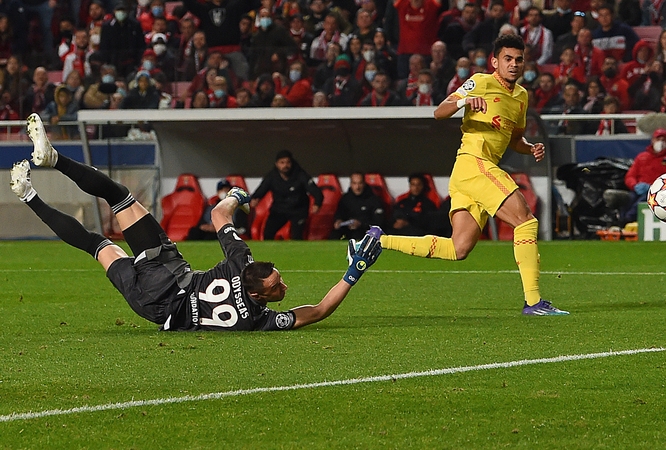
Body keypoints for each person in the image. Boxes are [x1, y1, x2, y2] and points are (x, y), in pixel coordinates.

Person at [10, 114, 383, 331]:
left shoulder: (240, 259)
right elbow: (317, 312)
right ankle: (28, 194)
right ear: (256, 295)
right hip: (155, 304)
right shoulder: (255, 319)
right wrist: (353, 274)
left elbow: (217, 214)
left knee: (118, 198)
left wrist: (237, 196)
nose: (283, 286)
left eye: (277, 283)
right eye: (277, 285)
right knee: (97, 245)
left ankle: (54, 161)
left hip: (170, 279)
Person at [377, 34, 569, 316]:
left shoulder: (521, 97)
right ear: (495, 61)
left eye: (518, 59)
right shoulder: (480, 81)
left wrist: (530, 149)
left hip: (470, 174)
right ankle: (533, 302)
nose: (513, 64)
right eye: (507, 59)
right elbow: (439, 112)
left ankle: (378, 240)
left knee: (459, 248)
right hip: (474, 162)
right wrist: (465, 100)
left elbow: (515, 139)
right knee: (525, 220)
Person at [251, 150, 324, 240]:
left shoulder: (300, 174)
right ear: (277, 164)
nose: (285, 166)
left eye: (288, 162)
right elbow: (261, 190)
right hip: (279, 210)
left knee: (296, 235)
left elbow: (316, 191)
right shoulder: (272, 177)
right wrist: (255, 198)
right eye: (282, 163)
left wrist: (317, 203)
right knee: (268, 233)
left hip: (298, 210)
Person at [622, 127, 666, 223]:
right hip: (638, 189)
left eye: (663, 140)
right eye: (658, 139)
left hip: (659, 192)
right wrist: (634, 185)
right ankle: (620, 222)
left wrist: (653, 187)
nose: (660, 142)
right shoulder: (642, 157)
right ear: (653, 140)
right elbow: (630, 176)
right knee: (627, 199)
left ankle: (627, 221)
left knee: (641, 202)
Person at [331, 172, 385, 240]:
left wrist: (361, 224)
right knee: (334, 235)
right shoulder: (345, 199)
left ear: (364, 184)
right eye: (354, 183)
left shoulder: (374, 200)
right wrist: (338, 221)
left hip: (365, 231)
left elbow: (379, 222)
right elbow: (339, 214)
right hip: (348, 230)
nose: (357, 187)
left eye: (360, 183)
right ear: (351, 184)